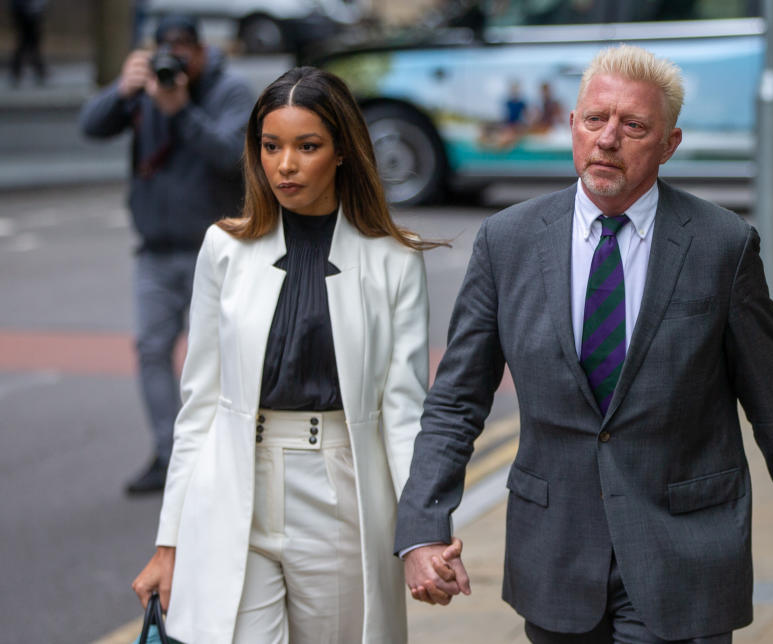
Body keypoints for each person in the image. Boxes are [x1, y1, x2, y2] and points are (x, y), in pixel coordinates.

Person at [396, 45, 773, 643]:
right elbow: (456, 401)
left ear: (669, 143)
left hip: (683, 553)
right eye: (594, 119)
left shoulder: (722, 245)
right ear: (572, 125)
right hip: (556, 556)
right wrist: (423, 528)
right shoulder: (508, 241)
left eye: (633, 126)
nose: (608, 139)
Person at [130, 66, 449, 643]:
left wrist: (422, 530)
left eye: (307, 147)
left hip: (338, 487)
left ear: (343, 152)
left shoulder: (394, 261)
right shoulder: (223, 247)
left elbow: (404, 415)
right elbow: (198, 407)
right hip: (233, 486)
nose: (285, 165)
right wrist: (168, 542)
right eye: (270, 146)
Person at [79, 15, 254, 494]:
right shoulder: (147, 86)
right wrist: (122, 89)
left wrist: (180, 110)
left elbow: (234, 156)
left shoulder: (231, 91)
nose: (175, 62)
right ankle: (168, 454)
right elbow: (90, 127)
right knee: (153, 350)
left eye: (183, 52)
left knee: (216, 362)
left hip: (216, 252)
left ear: (201, 51)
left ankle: (223, 460)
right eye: (166, 51)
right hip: (155, 251)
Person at [9, 0, 47, 85]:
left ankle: (38, 70)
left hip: (32, 11)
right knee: (26, 42)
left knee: (30, 42)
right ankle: (37, 71)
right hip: (24, 11)